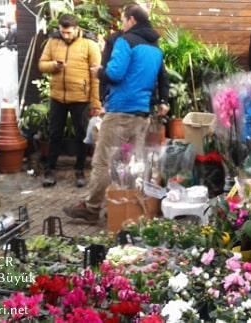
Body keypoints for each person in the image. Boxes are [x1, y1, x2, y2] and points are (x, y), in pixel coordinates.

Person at [63, 3, 169, 222]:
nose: (122, 25)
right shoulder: (156, 49)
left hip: (120, 110)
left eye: (122, 20)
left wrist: (99, 71)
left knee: (103, 161)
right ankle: (124, 208)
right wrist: (163, 101)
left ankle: (91, 208)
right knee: (131, 164)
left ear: (131, 20)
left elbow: (116, 73)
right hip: (142, 114)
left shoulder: (125, 41)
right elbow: (162, 78)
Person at [38, 14, 101, 188]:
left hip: (80, 98)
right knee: (54, 134)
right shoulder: (53, 41)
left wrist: (96, 103)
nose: (65, 35)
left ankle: (80, 171)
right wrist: (54, 66)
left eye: (68, 32)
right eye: (62, 32)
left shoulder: (90, 44)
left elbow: (96, 76)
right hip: (57, 96)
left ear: (76, 28)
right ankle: (50, 171)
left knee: (82, 136)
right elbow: (42, 64)